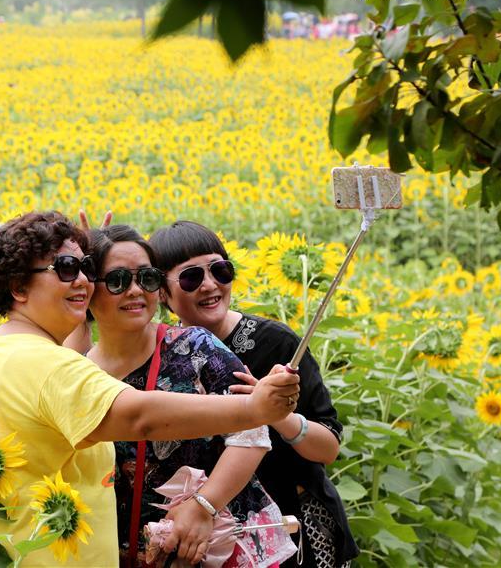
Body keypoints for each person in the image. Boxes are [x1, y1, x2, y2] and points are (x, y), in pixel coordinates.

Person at [0, 211, 300, 567]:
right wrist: (254, 408)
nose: (82, 282)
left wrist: (205, 504)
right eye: (66, 269)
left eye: (86, 270)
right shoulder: (51, 365)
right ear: (18, 287)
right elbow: (139, 416)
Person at [148, 221, 358, 568]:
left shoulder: (276, 344)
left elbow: (328, 446)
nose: (210, 285)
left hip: (293, 530)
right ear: (162, 293)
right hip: (213, 538)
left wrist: (276, 414)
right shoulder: (164, 355)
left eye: (220, 270)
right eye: (191, 278)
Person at [85, 225, 297, 567]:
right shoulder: (80, 373)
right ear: (88, 289)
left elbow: (252, 431)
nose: (136, 291)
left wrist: (204, 505)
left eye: (148, 278)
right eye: (117, 280)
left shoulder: (194, 347)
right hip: (132, 552)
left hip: (220, 544)